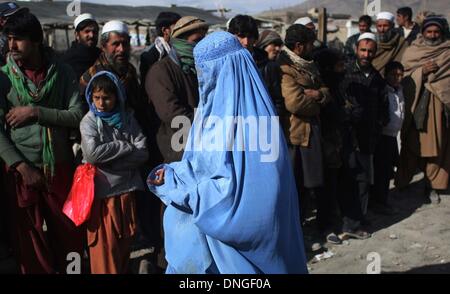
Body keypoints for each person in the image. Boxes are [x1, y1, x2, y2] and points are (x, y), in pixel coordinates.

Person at [147, 31, 308, 274]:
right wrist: (173, 174)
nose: (202, 79)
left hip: (236, 259)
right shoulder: (207, 115)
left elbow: (253, 207)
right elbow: (199, 167)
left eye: (206, 71)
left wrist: (180, 190)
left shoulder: (258, 125)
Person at [0, 12, 84, 273]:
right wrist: (22, 168)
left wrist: (35, 112)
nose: (11, 46)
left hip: (59, 167)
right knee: (30, 240)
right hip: (20, 172)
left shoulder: (62, 72)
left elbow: (78, 114)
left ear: (36, 40)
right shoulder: (2, 78)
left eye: (19, 39)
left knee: (68, 232)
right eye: (9, 39)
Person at [80, 71, 148, 274]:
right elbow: (92, 154)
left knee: (124, 245)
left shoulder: (128, 118)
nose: (101, 103)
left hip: (126, 193)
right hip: (102, 196)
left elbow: (143, 152)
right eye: (97, 98)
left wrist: (109, 161)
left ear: (117, 96)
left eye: (107, 98)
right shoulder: (89, 122)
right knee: (105, 250)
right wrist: (124, 147)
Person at [278, 24, 331, 225]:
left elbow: (324, 89)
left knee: (312, 183)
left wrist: (318, 95)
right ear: (299, 46)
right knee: (296, 184)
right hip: (295, 135)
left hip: (311, 131)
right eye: (309, 44)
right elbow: (295, 103)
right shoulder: (284, 68)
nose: (312, 47)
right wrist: (319, 104)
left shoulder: (308, 64)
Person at [338, 32, 389, 239]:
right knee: (351, 180)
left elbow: (383, 106)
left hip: (368, 139)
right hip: (348, 138)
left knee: (364, 180)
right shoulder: (346, 73)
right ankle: (350, 224)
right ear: (356, 50)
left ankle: (359, 218)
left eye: (370, 51)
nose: (366, 54)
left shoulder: (377, 77)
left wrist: (378, 124)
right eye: (363, 50)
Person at [396, 16, 450, 204]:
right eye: (429, 32)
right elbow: (403, 77)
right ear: (423, 32)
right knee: (411, 145)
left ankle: (431, 186)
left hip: (439, 107)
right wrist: (422, 72)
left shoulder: (447, 52)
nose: (433, 35)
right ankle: (402, 182)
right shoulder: (412, 51)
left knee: (437, 148)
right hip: (415, 106)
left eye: (436, 32)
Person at [146, 16, 208, 163]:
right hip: (177, 153)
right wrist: (210, 127)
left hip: (203, 148)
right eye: (196, 41)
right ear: (180, 41)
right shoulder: (160, 72)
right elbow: (175, 116)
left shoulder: (202, 69)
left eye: (203, 40)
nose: (201, 46)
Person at [370, 61, 405, 215]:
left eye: (400, 75)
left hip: (392, 136)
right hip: (382, 136)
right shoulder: (383, 90)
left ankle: (382, 200)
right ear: (386, 75)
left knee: (387, 170)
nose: (397, 78)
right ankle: (378, 202)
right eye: (393, 75)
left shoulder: (400, 90)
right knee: (381, 171)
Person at [139, 11, 181, 85]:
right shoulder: (149, 55)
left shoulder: (177, 49)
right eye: (177, 28)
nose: (180, 31)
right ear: (165, 30)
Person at [253, 30, 285, 115]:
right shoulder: (251, 65)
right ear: (263, 45)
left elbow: (279, 101)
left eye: (279, 45)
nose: (278, 49)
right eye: (274, 45)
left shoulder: (277, 66)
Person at [60, 13, 101, 80]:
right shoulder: (67, 61)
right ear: (77, 34)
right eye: (87, 31)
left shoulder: (101, 56)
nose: (91, 35)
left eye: (94, 32)